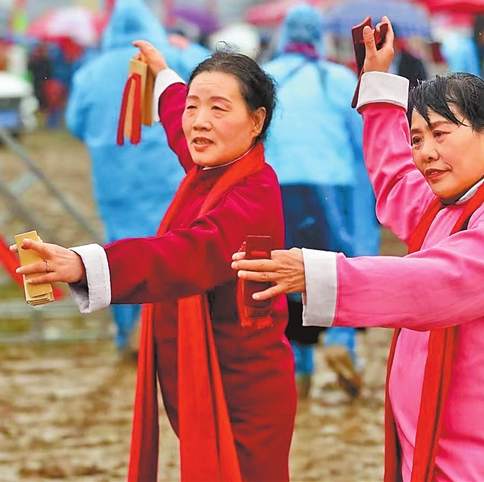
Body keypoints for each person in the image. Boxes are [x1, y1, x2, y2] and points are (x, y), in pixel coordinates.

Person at [233, 19, 484, 481]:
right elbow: (394, 177)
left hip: (480, 450)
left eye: (441, 134)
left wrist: (317, 273)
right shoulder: (450, 202)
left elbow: (435, 284)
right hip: (420, 434)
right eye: (417, 138)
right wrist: (378, 84)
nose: (424, 152)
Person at [15, 42, 296, 481]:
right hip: (203, 377)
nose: (199, 121)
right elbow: (179, 124)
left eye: (219, 108)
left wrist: (86, 264)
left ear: (256, 121)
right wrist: (164, 77)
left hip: (244, 391)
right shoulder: (216, 168)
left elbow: (186, 254)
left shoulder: (251, 194)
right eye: (194, 106)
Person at [65, 0, 209, 360]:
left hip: (113, 179)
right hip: (166, 175)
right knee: (166, 246)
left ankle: (125, 330)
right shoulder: (173, 58)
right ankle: (159, 329)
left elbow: (74, 123)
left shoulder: (90, 72)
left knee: (117, 249)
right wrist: (188, 48)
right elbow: (214, 76)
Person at [262, 4, 379, 399]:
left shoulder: (265, 79)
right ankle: (342, 342)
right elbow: (362, 142)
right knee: (336, 268)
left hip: (277, 187)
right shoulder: (339, 79)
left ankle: (298, 368)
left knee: (284, 275)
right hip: (332, 187)